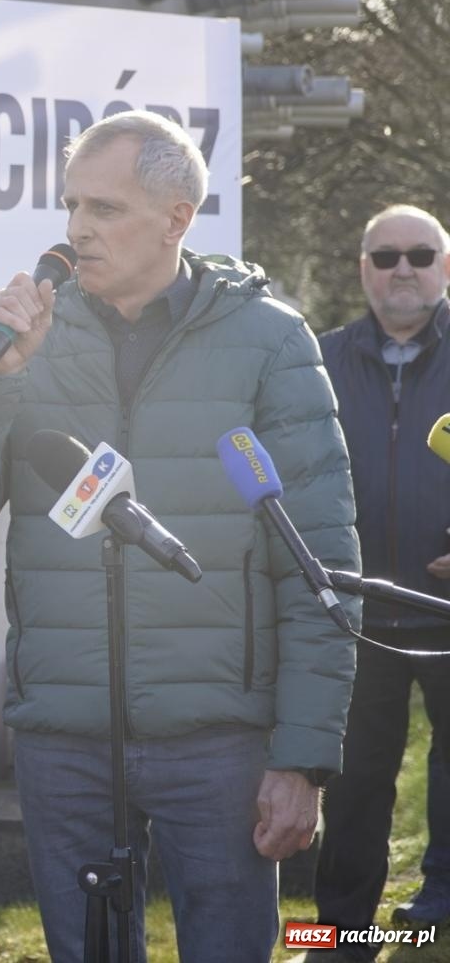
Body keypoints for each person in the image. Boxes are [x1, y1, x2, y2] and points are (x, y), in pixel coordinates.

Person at [0, 110, 360, 963]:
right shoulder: (33, 336)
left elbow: (319, 562)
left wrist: (303, 757)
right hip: (63, 743)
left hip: (218, 741)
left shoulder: (269, 340)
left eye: (104, 208)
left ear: (177, 217)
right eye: (72, 204)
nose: (77, 229)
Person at [313, 204, 450, 955]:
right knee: (356, 778)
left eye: (421, 254)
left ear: (445, 268)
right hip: (355, 612)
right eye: (387, 255)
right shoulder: (321, 360)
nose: (403, 268)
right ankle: (340, 929)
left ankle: (441, 903)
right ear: (363, 268)